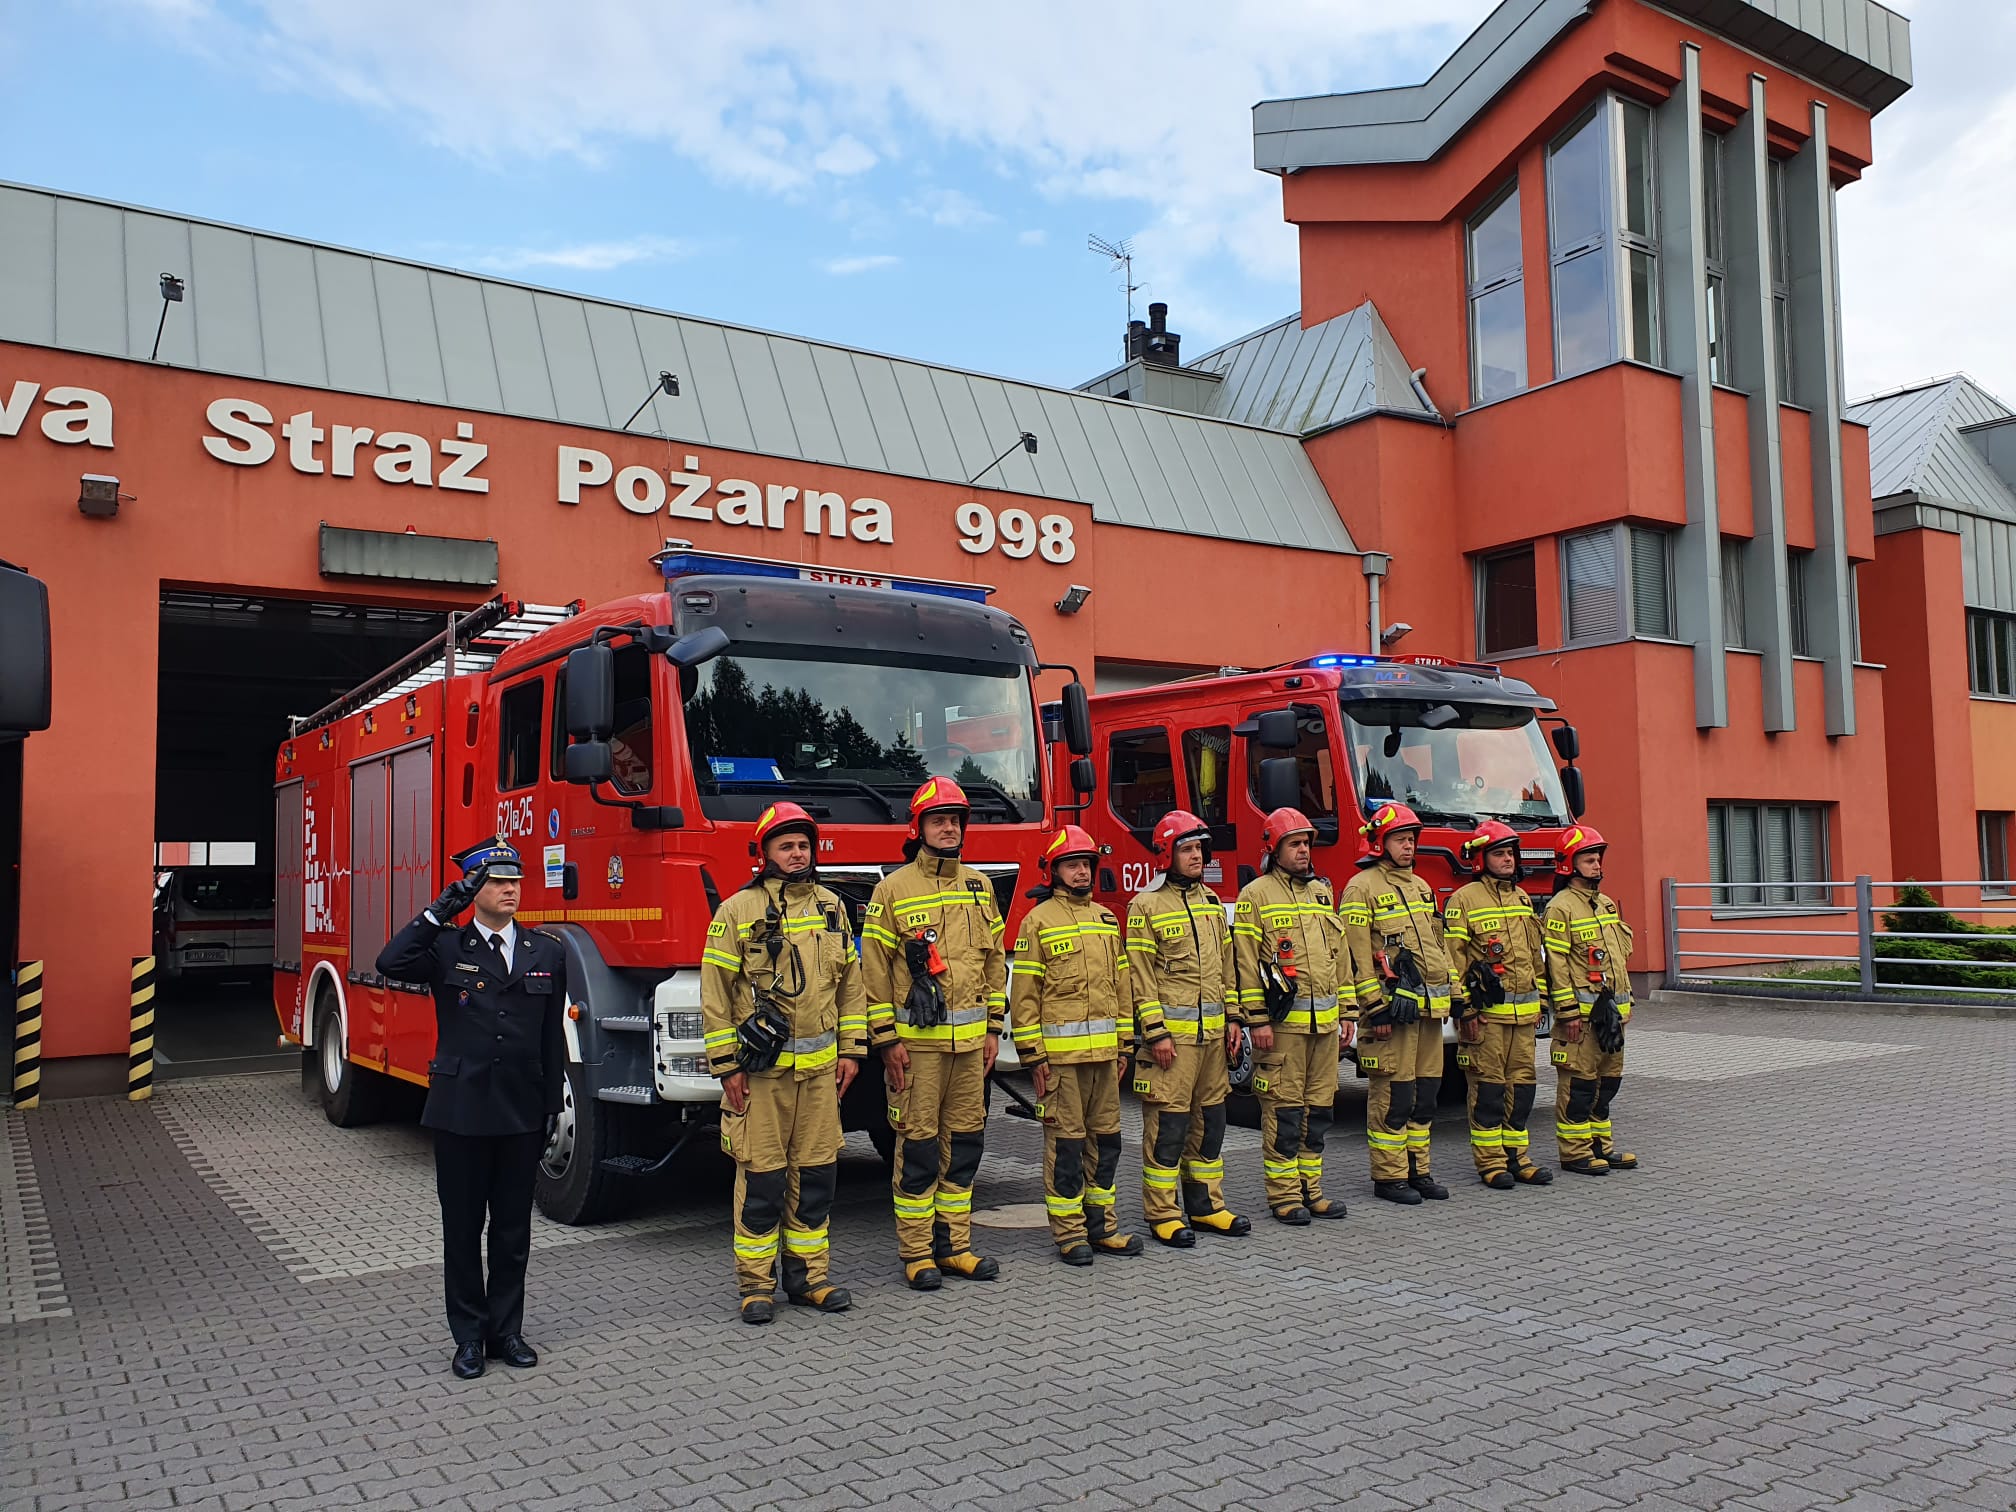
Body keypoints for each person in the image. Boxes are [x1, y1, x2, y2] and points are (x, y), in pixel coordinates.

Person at [376, 837, 566, 1380]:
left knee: (512, 1230)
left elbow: (551, 1036)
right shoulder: (445, 947)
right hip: (460, 1110)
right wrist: (439, 911)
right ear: (473, 889)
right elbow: (390, 961)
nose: (510, 889)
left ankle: (507, 1331)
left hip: (520, 1110)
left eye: (515, 881)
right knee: (462, 1230)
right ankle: (468, 1337)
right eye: (497, 881)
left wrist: (551, 1104)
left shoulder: (546, 951)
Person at [699, 802, 867, 1323]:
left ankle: (809, 1279)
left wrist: (852, 1050)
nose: (798, 854)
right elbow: (715, 994)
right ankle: (756, 1286)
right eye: (786, 846)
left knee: (816, 1179)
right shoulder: (736, 911)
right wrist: (726, 1066)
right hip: (761, 1077)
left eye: (803, 845)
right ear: (765, 852)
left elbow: (851, 985)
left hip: (819, 1077)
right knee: (763, 1182)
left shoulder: (833, 907)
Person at [860, 777, 1008, 1290]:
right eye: (938, 820)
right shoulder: (892, 889)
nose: (948, 828)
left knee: (964, 1148)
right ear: (917, 828)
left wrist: (993, 1029)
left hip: (970, 1049)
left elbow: (994, 962)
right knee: (919, 1151)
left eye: (955, 820)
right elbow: (874, 973)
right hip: (916, 1050)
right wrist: (886, 1040)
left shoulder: (980, 886)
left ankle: (956, 1248)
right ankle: (918, 1253)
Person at [1010, 825, 1143, 1264]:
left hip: (1105, 1059)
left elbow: (1121, 986)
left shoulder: (1106, 919)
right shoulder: (1038, 921)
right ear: (1054, 872)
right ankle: (1069, 1233)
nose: (1081, 872)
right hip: (1061, 1063)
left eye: (1086, 864)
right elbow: (1024, 996)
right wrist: (1033, 1057)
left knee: (1106, 1144)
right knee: (1066, 1147)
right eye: (1072, 865)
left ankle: (1102, 1227)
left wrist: (1124, 1045)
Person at [1126, 809, 1249, 1246]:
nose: (1197, 856)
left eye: (1200, 849)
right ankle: (1162, 1213)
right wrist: (1156, 1032)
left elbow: (1227, 969)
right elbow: (1140, 977)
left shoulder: (1212, 903)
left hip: (1214, 1041)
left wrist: (1234, 1018)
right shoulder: (1145, 906)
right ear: (1167, 854)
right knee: (1168, 1129)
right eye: (1187, 849)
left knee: (1210, 1125)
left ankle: (1206, 1206)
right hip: (1172, 1045)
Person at [1231, 808, 1350, 1225]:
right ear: (1274, 849)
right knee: (1284, 1113)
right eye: (1294, 844)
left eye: (1306, 843)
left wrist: (1348, 1011)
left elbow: (1340, 958)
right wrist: (1257, 1020)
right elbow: (1246, 965)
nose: (1303, 851)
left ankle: (1312, 1191)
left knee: (1318, 1113)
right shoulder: (1255, 896)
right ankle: (1283, 1196)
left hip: (1325, 1027)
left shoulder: (1321, 892)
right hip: (1283, 1030)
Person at [1339, 802, 1457, 1205]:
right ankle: (1389, 1177)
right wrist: (1374, 1007)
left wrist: (1456, 995)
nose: (1409, 846)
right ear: (1379, 842)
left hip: (1428, 1012)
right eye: (1400, 839)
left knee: (1425, 1095)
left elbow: (1439, 947)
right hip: (1391, 1013)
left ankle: (1418, 1171)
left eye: (1411, 839)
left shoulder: (1421, 887)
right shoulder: (1360, 888)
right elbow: (1355, 955)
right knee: (1394, 1096)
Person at [1444, 821, 1554, 1190]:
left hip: (1523, 1018)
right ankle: (1490, 1163)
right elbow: (1454, 961)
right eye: (1499, 853)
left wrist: (1541, 1000)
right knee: (1488, 1091)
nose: (1508, 859)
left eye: (1511, 853)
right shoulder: (1463, 900)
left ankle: (1518, 1158)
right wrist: (1465, 1010)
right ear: (1480, 859)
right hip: (1487, 1019)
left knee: (1522, 1090)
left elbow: (1535, 959)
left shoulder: (1522, 898)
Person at [1544, 825, 1639, 1175]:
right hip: (1580, 1022)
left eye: (1598, 859)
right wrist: (1568, 1012)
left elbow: (1616, 960)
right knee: (1579, 1087)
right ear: (1569, 864)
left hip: (1612, 1017)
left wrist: (1627, 1005)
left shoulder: (1605, 904)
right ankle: (1575, 1153)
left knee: (1607, 1084)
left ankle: (1602, 1146)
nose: (1597, 865)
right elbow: (1556, 966)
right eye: (1588, 859)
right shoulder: (1560, 909)